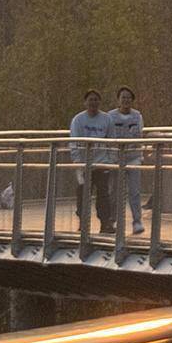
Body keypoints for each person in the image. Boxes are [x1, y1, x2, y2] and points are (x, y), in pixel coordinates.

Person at [68, 90, 121, 236]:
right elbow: (73, 143)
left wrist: (110, 161)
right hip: (84, 164)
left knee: (104, 195)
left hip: (102, 163)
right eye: (90, 100)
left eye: (96, 100)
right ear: (85, 102)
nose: (93, 103)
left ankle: (106, 224)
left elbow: (112, 141)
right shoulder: (78, 120)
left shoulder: (106, 119)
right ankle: (83, 223)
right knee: (83, 194)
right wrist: (78, 163)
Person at [109, 86, 148, 239]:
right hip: (115, 158)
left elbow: (141, 136)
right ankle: (114, 220)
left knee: (134, 191)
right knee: (115, 192)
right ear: (118, 99)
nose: (126, 100)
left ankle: (137, 222)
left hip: (133, 157)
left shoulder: (137, 116)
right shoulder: (110, 116)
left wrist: (142, 154)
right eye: (123, 97)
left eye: (128, 98)